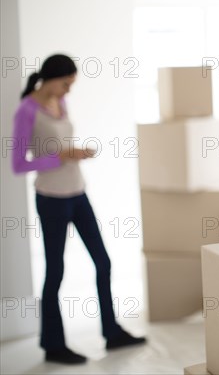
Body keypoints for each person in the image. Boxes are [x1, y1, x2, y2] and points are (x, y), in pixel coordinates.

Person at [12, 54, 146, 365]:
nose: (69, 91)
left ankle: (112, 333)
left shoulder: (62, 103)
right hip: (51, 199)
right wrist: (60, 157)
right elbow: (19, 164)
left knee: (103, 261)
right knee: (56, 272)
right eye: (66, 84)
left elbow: (61, 144)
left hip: (78, 193)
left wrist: (75, 152)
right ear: (51, 78)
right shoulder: (26, 110)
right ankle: (53, 345)